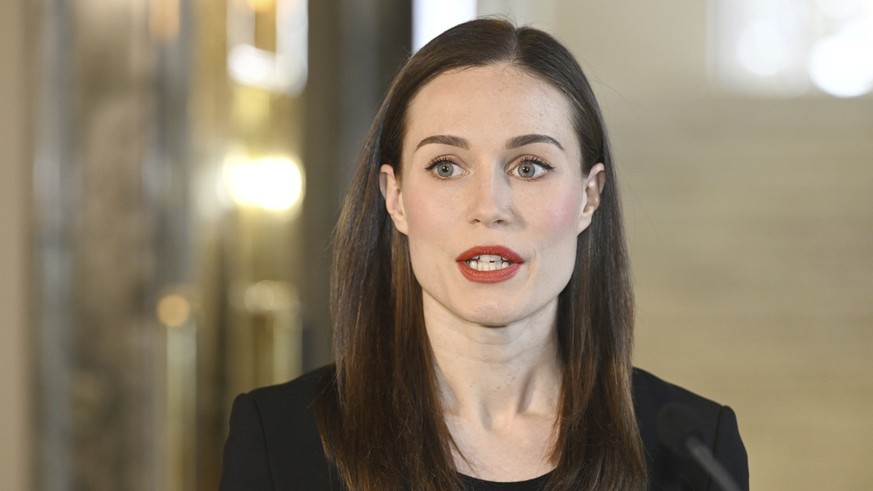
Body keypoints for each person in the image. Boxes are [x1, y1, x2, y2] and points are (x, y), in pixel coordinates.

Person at [219, 19, 748, 491]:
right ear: (396, 198)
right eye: (446, 167)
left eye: (529, 167)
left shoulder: (697, 451)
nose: (489, 208)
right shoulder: (278, 438)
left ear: (589, 197)